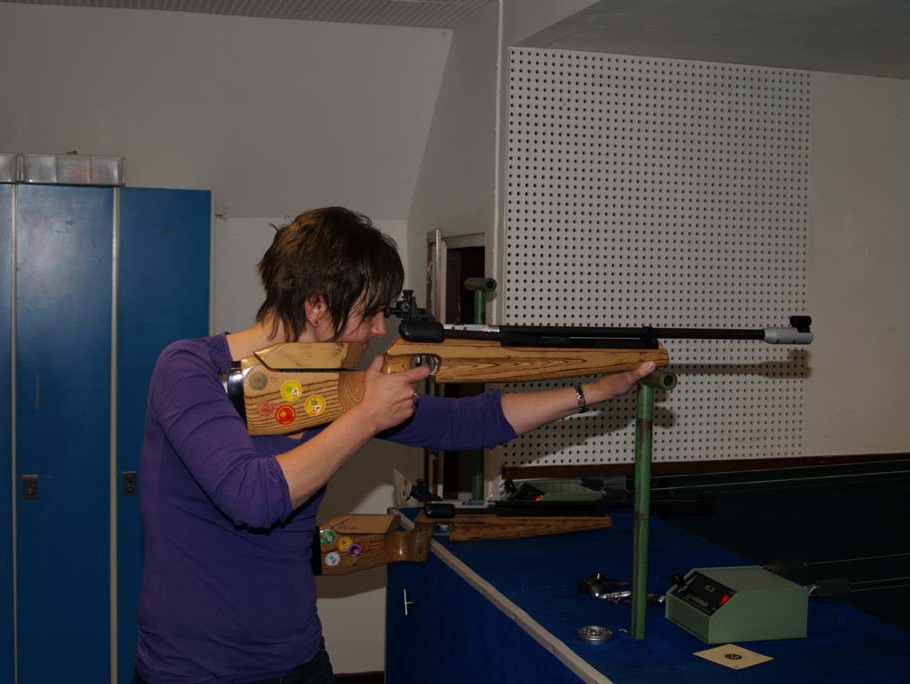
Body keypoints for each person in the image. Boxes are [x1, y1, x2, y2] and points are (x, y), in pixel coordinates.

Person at [134, 207, 655, 684]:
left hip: (298, 660)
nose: (379, 329)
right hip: (194, 671)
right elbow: (253, 496)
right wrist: (366, 417)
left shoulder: (335, 388)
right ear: (316, 305)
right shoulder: (188, 370)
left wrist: (591, 392)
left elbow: (469, 422)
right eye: (369, 313)